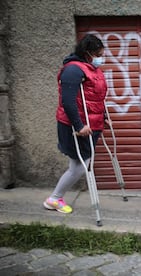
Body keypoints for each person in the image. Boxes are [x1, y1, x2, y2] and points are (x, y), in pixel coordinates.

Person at [43, 34, 108, 214]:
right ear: (88, 53)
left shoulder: (92, 70)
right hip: (75, 126)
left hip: (91, 125)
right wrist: (79, 126)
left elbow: (94, 98)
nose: (101, 58)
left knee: (80, 164)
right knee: (79, 166)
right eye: (99, 54)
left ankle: (55, 197)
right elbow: (68, 101)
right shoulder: (73, 70)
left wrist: (103, 117)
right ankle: (54, 199)